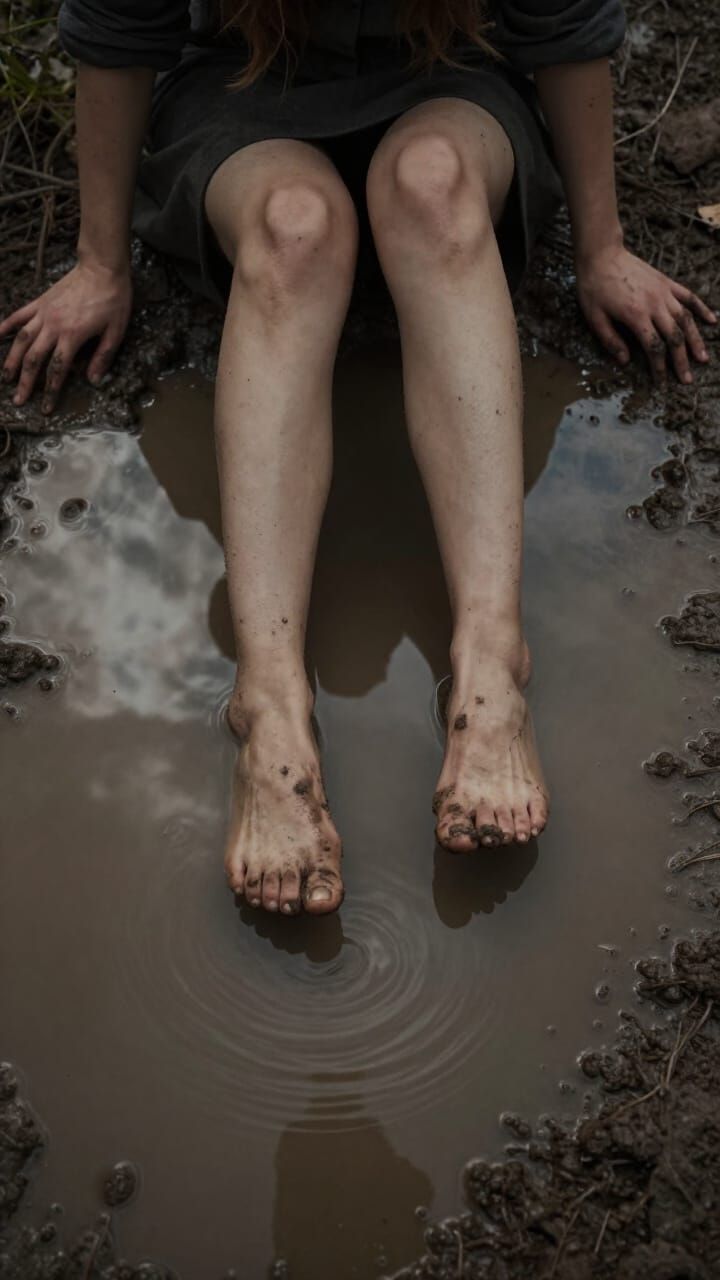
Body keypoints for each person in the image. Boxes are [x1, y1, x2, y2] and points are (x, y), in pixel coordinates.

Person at [1, 2, 715, 918]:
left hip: (449, 80)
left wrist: (602, 249)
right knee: (297, 227)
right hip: (243, 96)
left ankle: (493, 662)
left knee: (432, 181)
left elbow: (564, 25)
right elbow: (116, 27)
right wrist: (101, 262)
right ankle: (269, 706)